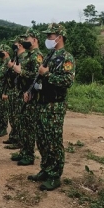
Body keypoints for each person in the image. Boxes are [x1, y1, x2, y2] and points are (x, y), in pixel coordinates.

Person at [27, 23, 75, 191]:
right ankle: (46, 169)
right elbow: (39, 78)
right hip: (42, 103)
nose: (48, 39)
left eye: (50, 36)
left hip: (55, 106)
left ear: (59, 37)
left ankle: (55, 175)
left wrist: (47, 74)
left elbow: (67, 81)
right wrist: (30, 91)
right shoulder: (49, 55)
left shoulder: (66, 57)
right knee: (42, 139)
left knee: (53, 140)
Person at [10, 28, 44, 166]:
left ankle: (29, 155)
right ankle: (24, 151)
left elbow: (38, 77)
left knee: (29, 126)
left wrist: (21, 71)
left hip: (31, 96)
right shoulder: (29, 55)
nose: (24, 41)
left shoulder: (37, 56)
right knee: (23, 124)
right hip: (23, 93)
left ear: (34, 40)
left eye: (27, 39)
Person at [2, 36, 27, 148]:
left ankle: (19, 140)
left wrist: (13, 68)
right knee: (13, 116)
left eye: (15, 44)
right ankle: (14, 137)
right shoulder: (16, 57)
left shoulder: (24, 57)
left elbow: (21, 73)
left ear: (20, 45)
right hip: (13, 90)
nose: (14, 46)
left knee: (18, 117)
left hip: (20, 92)